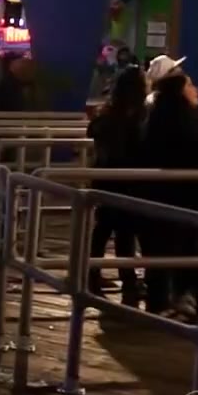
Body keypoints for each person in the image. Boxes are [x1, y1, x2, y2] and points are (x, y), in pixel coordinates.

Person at [139, 72, 198, 319]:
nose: (196, 89)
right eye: (190, 85)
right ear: (179, 90)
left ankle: (161, 301)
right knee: (184, 247)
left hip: (162, 193)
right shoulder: (183, 118)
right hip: (183, 195)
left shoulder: (158, 115)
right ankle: (182, 300)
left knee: (164, 249)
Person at [86, 66, 147, 306]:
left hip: (105, 179)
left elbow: (96, 134)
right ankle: (127, 282)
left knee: (103, 229)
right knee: (124, 233)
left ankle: (92, 274)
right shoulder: (137, 117)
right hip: (128, 181)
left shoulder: (108, 114)